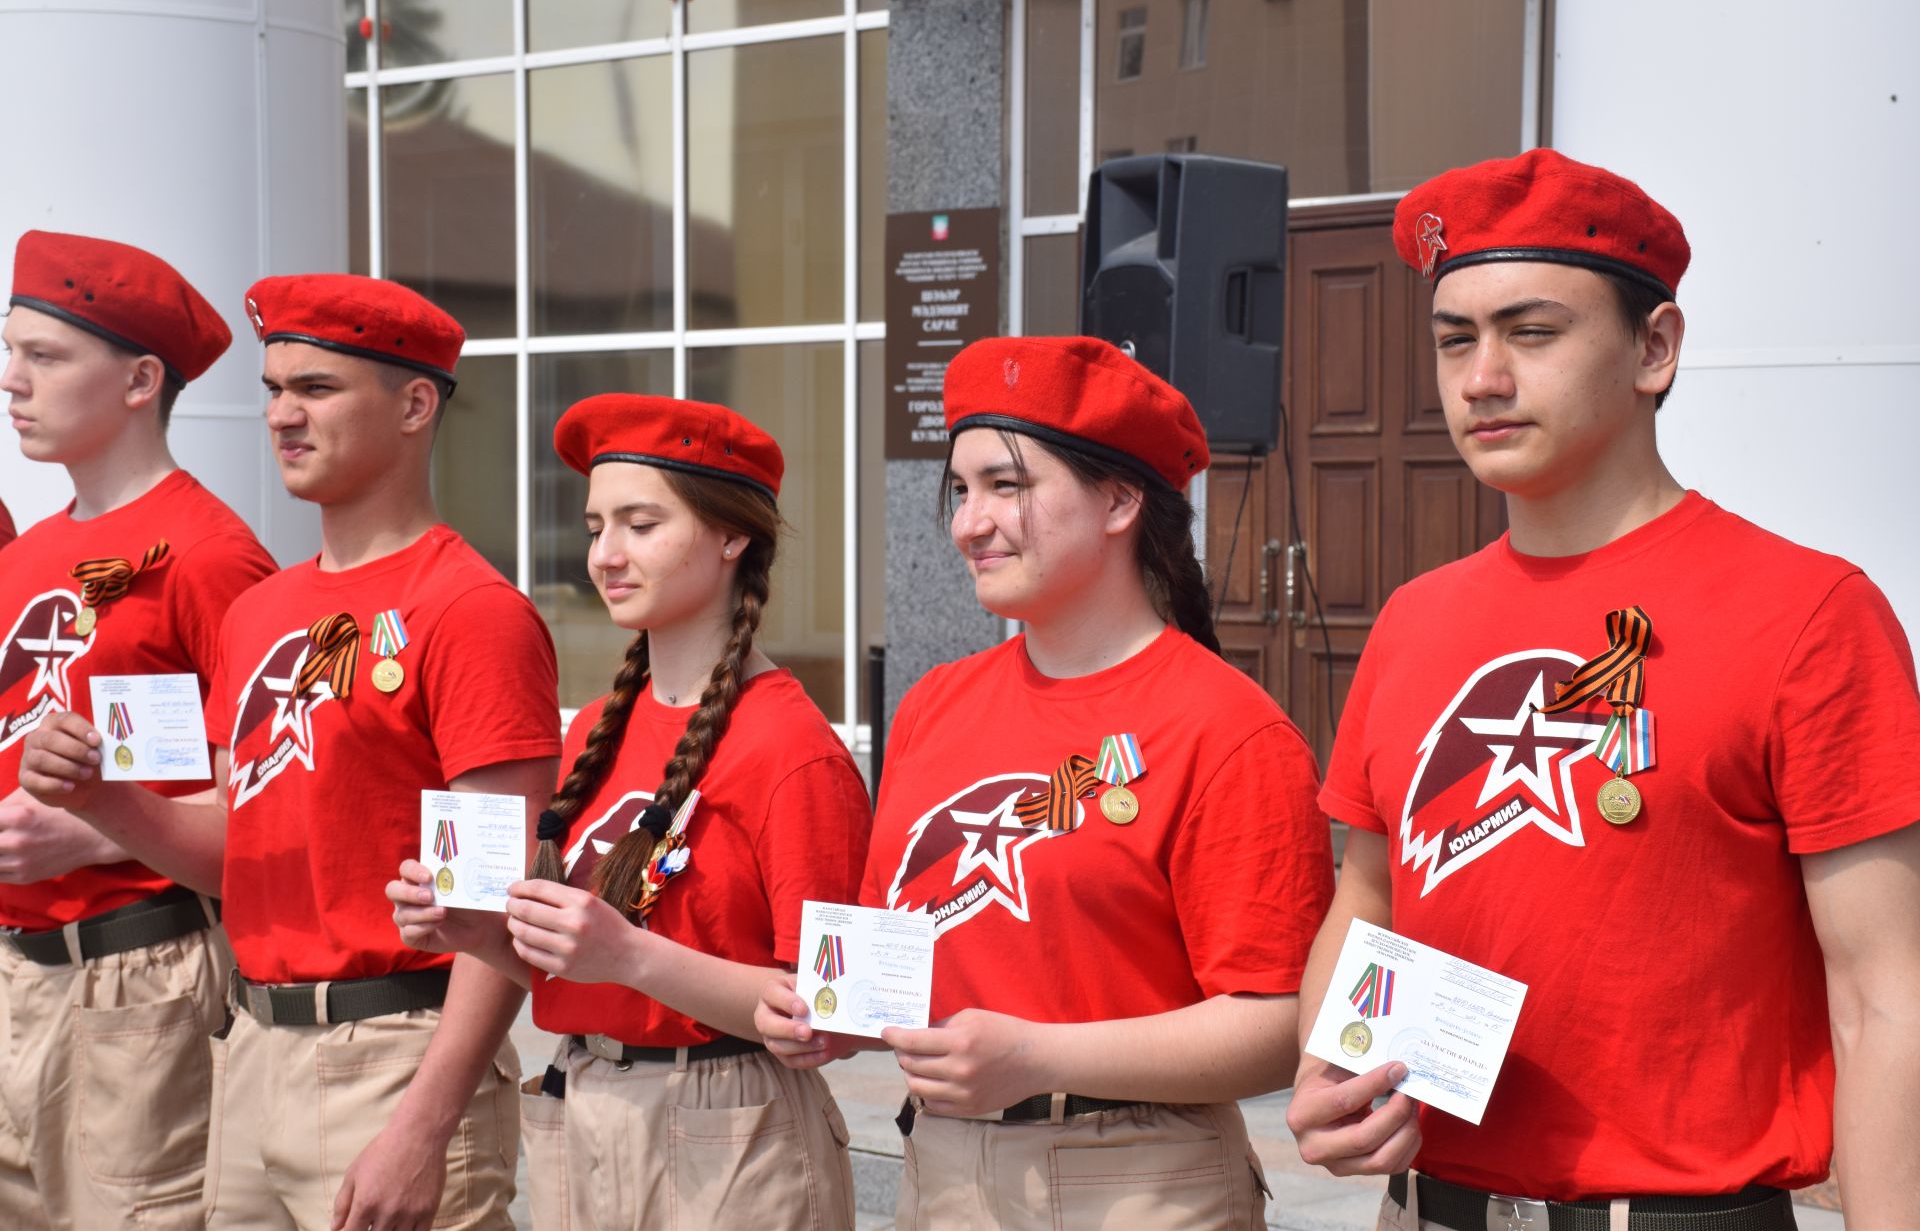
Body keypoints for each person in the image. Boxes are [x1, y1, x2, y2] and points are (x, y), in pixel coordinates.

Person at [1285, 149, 1920, 1229]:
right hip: (1430, 1209)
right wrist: (1334, 1072)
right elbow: (1370, 897)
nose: (1481, 376)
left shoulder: (1810, 613)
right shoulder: (1412, 621)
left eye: (1531, 333)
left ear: (1654, 348)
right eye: (1454, 339)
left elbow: (1883, 997)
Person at [21, 273, 563, 1231]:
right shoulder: (262, 611)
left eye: (315, 389)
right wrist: (106, 799)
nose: (282, 415)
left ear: (414, 404)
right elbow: (235, 848)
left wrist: (425, 1125)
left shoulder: (472, 611)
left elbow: (498, 907)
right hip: (252, 1051)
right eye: (274, 389)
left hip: (398, 1052)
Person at [758, 336, 1336, 1230]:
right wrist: (832, 1014)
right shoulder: (934, 704)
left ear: (1119, 499)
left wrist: (1039, 1055)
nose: (967, 524)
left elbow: (1278, 1026)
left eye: (1007, 486)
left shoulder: (1229, 728)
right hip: (941, 1171)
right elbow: (892, 959)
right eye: (960, 489)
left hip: (1140, 1183)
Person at [388, 392, 869, 1229]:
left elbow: (833, 1010)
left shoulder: (795, 749)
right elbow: (589, 972)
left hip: (732, 1125)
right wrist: (472, 930)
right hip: (585, 1107)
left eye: (641, 526)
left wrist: (630, 955)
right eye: (594, 526)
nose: (606, 554)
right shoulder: (598, 731)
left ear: (731, 536)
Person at [0, 229, 274, 1229]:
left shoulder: (212, 557)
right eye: (9, 349)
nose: (11, 380)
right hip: (17, 973)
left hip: (141, 982)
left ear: (139, 378)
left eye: (45, 355)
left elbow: (272, 801)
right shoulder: (28, 554)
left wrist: (89, 828)